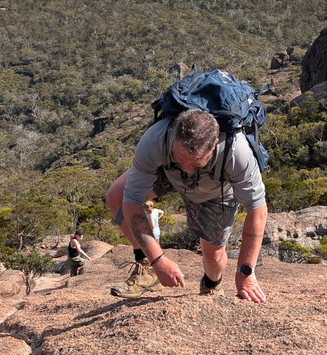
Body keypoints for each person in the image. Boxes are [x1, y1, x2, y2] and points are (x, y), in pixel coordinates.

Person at [106, 107, 268, 302]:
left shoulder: (236, 152)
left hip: (214, 190)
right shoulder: (155, 139)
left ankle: (211, 284)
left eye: (196, 161)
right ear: (174, 137)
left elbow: (257, 211)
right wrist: (157, 259)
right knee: (117, 196)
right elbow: (131, 203)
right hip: (168, 174)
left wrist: (246, 273)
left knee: (214, 256)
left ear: (213, 145)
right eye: (180, 158)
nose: (187, 167)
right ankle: (148, 269)